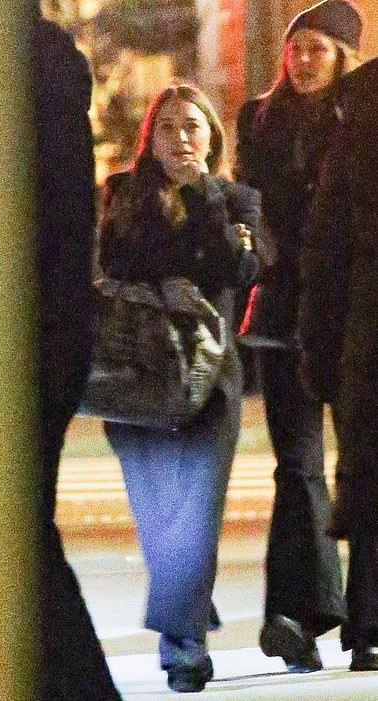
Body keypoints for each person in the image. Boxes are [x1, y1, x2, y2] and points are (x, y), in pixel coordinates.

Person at [98, 80, 260, 693]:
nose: (181, 138)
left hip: (208, 377)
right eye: (168, 127)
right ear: (150, 138)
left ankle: (183, 646)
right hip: (136, 378)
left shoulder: (236, 200)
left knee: (196, 516)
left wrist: (206, 199)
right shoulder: (122, 194)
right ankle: (190, 610)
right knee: (160, 518)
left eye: (192, 126)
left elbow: (240, 271)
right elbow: (113, 265)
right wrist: (161, 286)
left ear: (211, 136)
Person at [235, 0, 363, 672]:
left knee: (362, 464)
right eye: (298, 48)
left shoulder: (362, 118)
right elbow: (248, 199)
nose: (306, 60)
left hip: (354, 317)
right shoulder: (258, 119)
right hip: (285, 316)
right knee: (299, 467)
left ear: (344, 56)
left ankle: (366, 618)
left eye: (319, 48)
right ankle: (298, 615)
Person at [33, 15, 123, 701]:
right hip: (52, 333)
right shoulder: (52, 64)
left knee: (20, 524)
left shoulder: (38, 63)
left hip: (37, 337)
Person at [299, 55, 378, 672]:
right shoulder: (359, 112)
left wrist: (321, 352)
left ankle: (371, 621)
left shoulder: (357, 118)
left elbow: (325, 250)